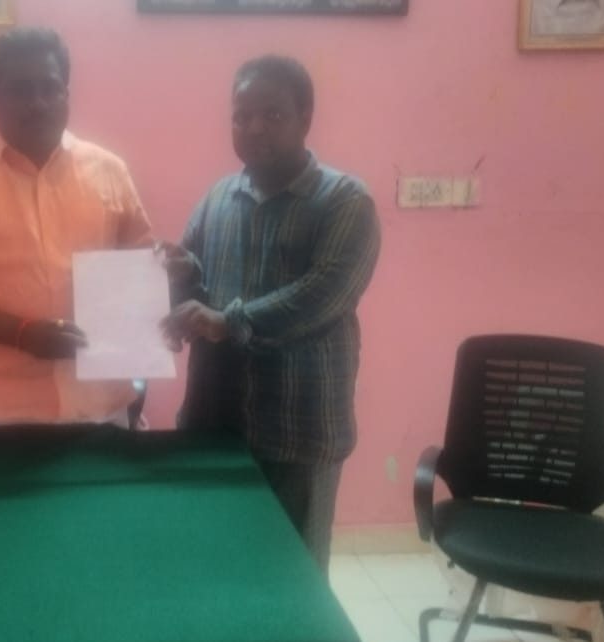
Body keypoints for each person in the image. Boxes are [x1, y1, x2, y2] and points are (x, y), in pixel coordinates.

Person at [160, 55, 380, 572]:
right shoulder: (218, 197)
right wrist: (175, 277)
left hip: (298, 432)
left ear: (306, 118)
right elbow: (197, 288)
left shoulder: (345, 201)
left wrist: (228, 321)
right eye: (241, 116)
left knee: (293, 578)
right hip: (215, 425)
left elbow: (325, 295)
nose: (254, 127)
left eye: (272, 114)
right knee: (214, 567)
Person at [0, 27, 153, 426]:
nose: (37, 103)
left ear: (66, 95)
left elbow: (139, 265)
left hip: (104, 409)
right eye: (20, 90)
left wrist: (169, 274)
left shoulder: (110, 171)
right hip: (0, 414)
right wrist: (21, 333)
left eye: (50, 88)